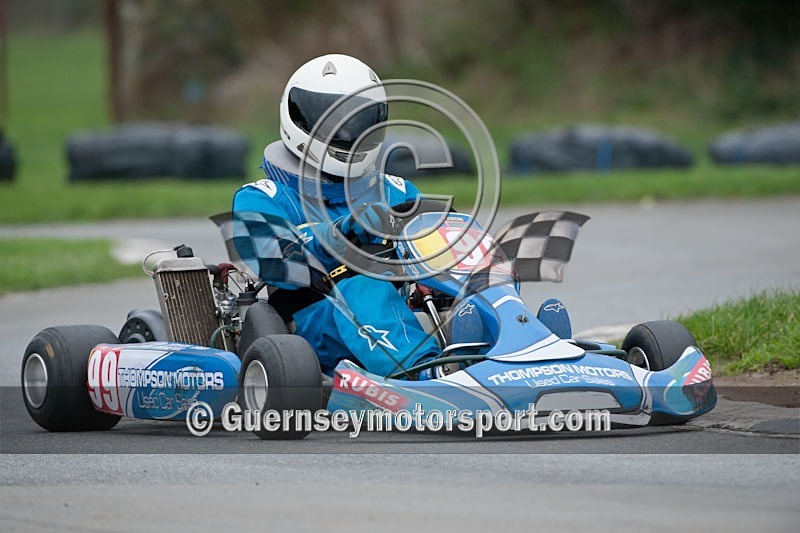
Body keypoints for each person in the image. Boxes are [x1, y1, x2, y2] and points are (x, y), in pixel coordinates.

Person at [232, 54, 440, 377]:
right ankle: (425, 374)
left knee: (475, 286)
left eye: (359, 120)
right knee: (363, 288)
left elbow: (437, 239)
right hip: (311, 327)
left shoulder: (396, 191)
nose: (348, 132)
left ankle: (505, 357)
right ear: (299, 118)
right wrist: (342, 232)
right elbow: (274, 259)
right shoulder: (262, 197)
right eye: (334, 121)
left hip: (394, 317)